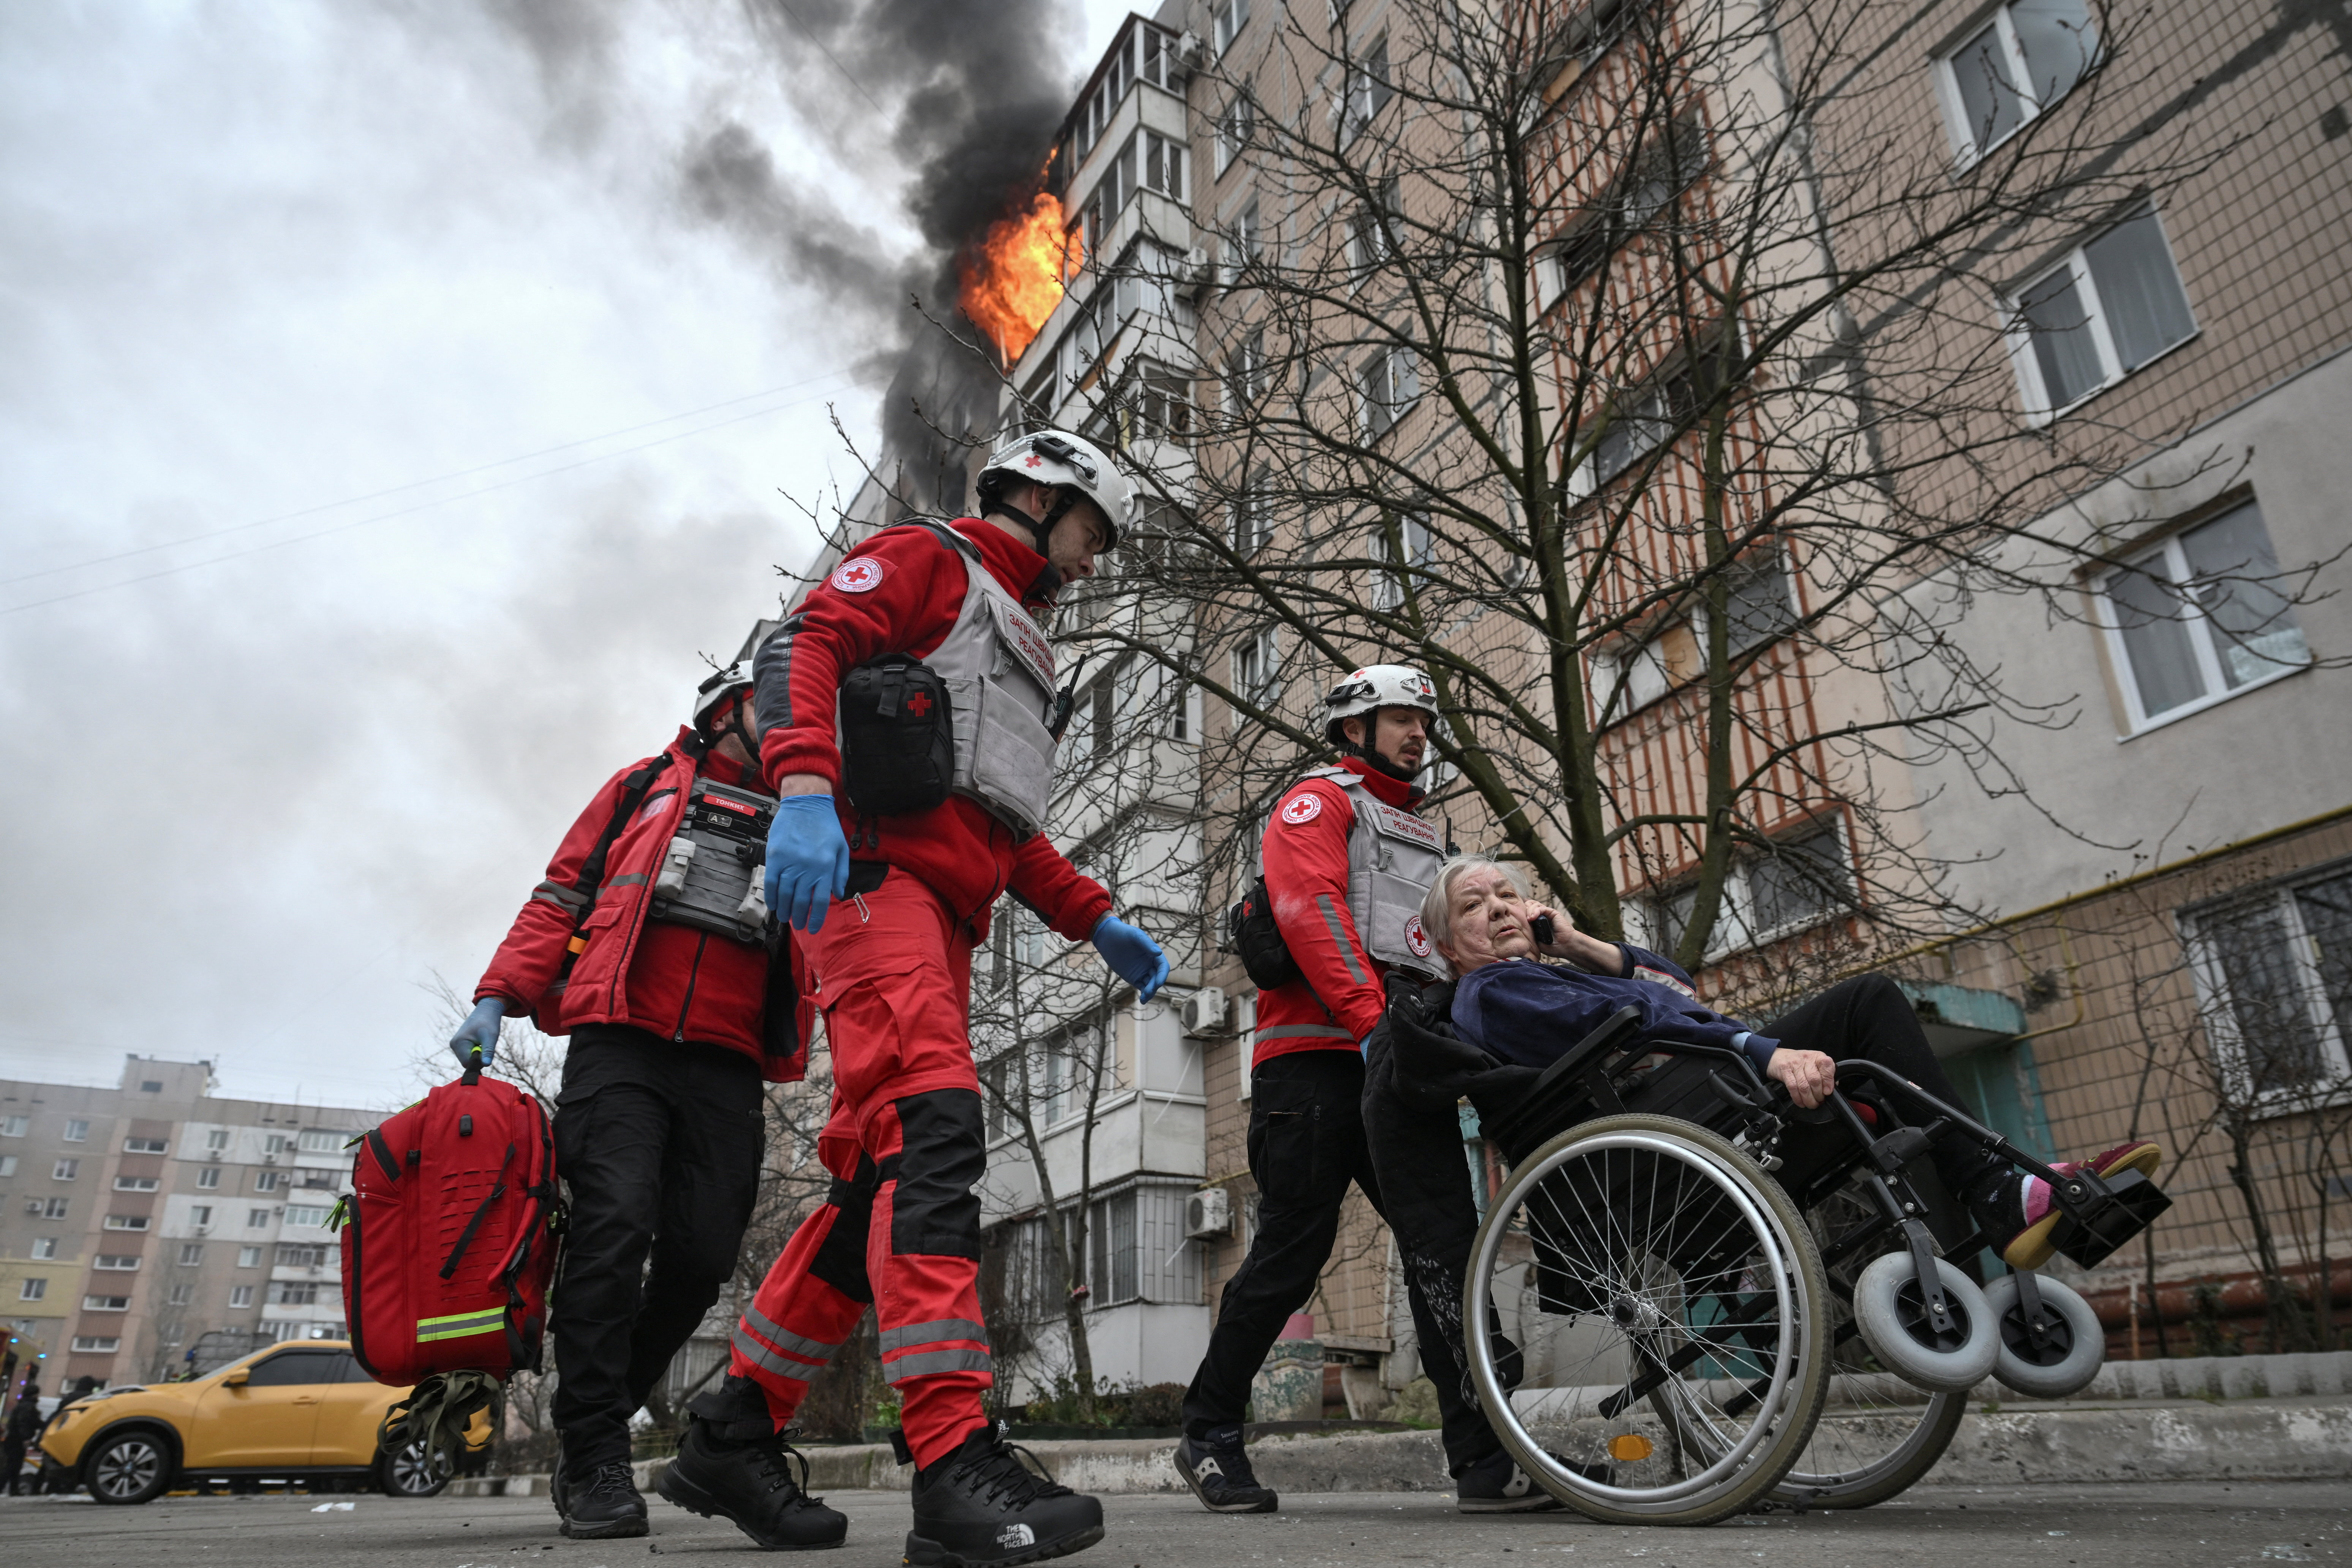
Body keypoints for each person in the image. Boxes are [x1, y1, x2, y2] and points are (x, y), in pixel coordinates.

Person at [657, 429, 1170, 1566]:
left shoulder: (1021, 647)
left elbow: (993, 823)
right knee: (934, 1135)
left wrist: (1094, 915)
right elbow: (807, 644)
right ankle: (951, 1461)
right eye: (1093, 531)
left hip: (939, 917)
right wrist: (799, 787)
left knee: (870, 1197)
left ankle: (734, 1429)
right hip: (874, 895)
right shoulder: (933, 559)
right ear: (1039, 496)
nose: (1095, 560)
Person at [1169, 667, 1551, 1516]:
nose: (1418, 731)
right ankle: (1208, 1432)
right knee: (1291, 1253)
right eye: (1400, 718)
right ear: (1353, 728)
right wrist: (1373, 1023)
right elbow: (1309, 911)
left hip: (1396, 1055)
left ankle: (1484, 1459)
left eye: (1424, 718)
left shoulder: (1420, 827)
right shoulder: (1316, 802)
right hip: (1315, 1061)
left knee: (1446, 1247)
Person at [1420, 856, 2162, 1266]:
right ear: (1451, 948)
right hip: (1672, 1121)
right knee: (1865, 1008)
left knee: (1875, 1057)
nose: (1500, 907)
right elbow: (1646, 1014)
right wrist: (1761, 1051)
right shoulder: (1492, 990)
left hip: (1688, 1101)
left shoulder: (1555, 970)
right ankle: (1999, 1192)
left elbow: (1678, 989)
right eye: (1473, 905)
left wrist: (1579, 943)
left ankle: (1999, 1193)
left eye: (1509, 894)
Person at [452, 669, 795, 1542]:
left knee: (703, 1252)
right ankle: (595, 1448)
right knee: (613, 1223)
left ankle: (607, 1405)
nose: (799, 722)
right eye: (781, 704)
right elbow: (562, 891)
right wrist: (497, 994)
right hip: (620, 1041)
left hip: (727, 1057)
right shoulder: (642, 787)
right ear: (727, 712)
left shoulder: (809, 812)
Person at [2, 1378, 39, 1497]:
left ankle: (14, 1490)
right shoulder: (28, 1406)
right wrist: (26, 1439)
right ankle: (10, 1489)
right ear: (34, 1395)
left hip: (13, 1440)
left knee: (14, 1466)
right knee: (12, 1467)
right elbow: (23, 1423)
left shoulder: (24, 1405)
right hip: (16, 1441)